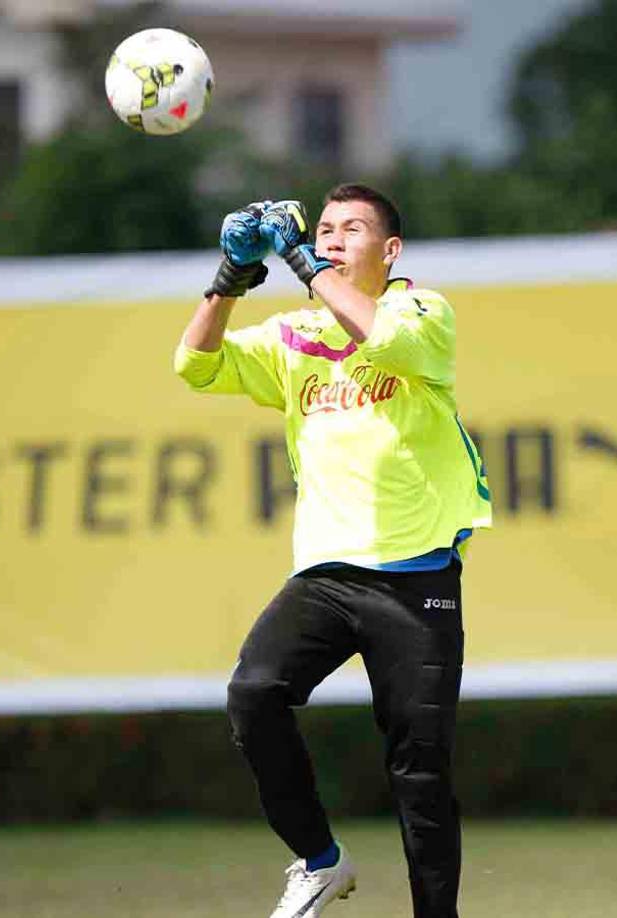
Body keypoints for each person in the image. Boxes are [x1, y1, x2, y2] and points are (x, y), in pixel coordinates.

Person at [173, 184, 492, 918]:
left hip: (417, 578)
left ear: (391, 251)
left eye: (352, 229)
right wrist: (229, 279)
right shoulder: (294, 338)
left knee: (420, 769)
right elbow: (195, 364)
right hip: (326, 573)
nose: (335, 238)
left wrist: (300, 257)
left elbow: (382, 337)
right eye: (324, 229)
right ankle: (319, 861)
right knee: (254, 696)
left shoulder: (422, 312)